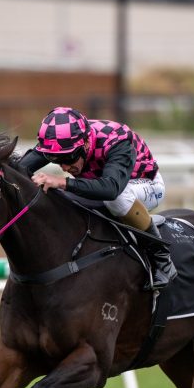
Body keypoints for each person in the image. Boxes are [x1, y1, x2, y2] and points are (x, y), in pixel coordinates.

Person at [19, 106, 177, 290]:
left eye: (68, 158)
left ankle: (162, 257)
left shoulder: (117, 139)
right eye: (56, 160)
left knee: (116, 199)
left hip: (144, 185)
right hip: (101, 186)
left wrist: (62, 182)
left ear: (86, 143)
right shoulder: (62, 141)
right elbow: (18, 168)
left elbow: (111, 189)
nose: (64, 167)